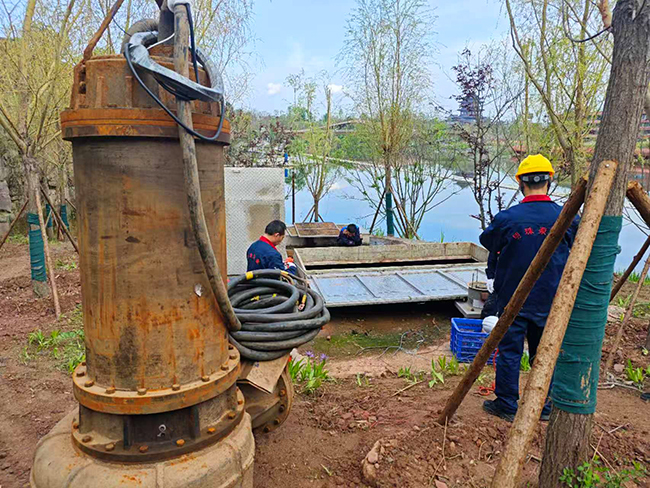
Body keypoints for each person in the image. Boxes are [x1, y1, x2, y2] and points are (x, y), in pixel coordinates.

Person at [478, 154, 579, 422]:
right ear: (549, 181)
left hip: (513, 299)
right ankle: (544, 406)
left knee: (510, 352)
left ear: (521, 183)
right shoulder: (566, 217)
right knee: (545, 353)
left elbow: (488, 241)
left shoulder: (507, 219)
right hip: (551, 298)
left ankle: (507, 405)